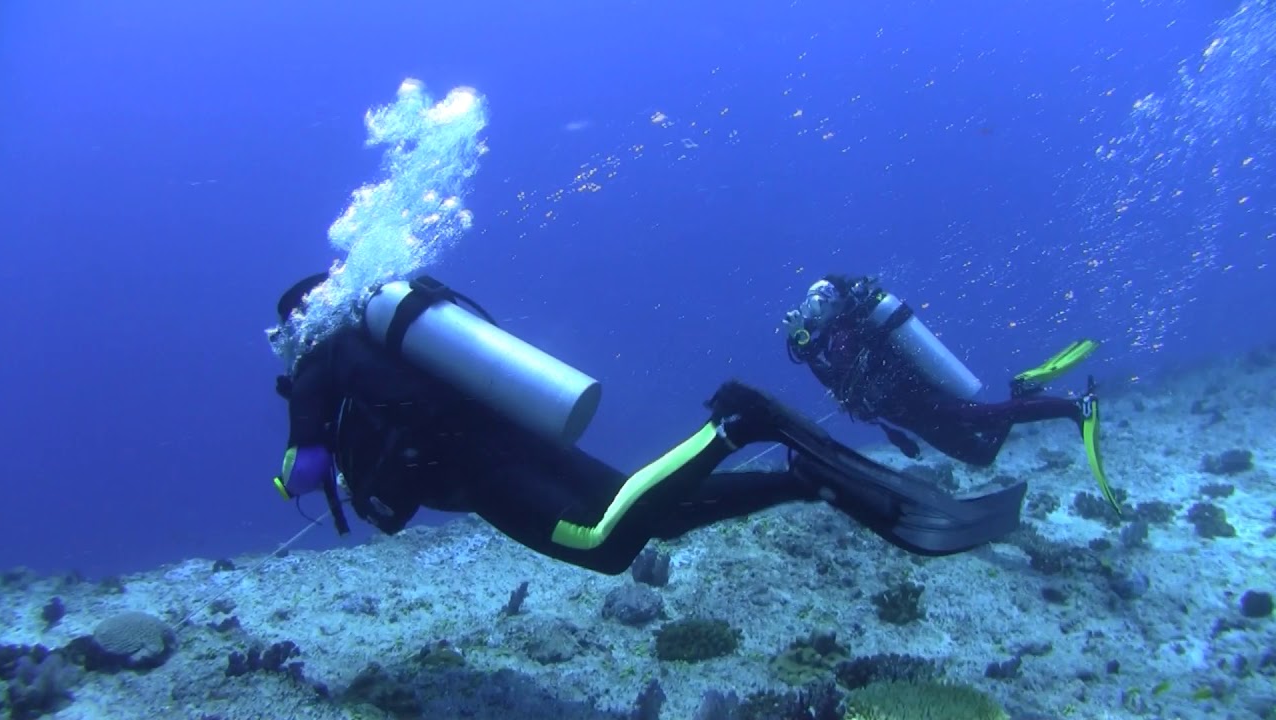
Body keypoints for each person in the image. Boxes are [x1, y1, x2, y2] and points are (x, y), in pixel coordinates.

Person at [269, 272, 1029, 574]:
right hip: (507, 436)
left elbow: (304, 471)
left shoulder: (320, 361)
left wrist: (293, 468)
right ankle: (800, 481)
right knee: (655, 516)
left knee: (606, 546)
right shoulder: (382, 344)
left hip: (476, 467)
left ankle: (737, 428)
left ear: (304, 320)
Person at [782, 273, 1119, 513]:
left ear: (834, 303)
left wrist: (810, 351)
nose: (812, 313)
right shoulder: (839, 335)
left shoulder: (844, 333)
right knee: (980, 455)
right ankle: (1021, 394)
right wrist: (810, 351)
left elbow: (842, 379)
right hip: (907, 414)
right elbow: (841, 383)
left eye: (815, 305)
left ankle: (1077, 408)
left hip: (915, 399)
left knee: (985, 418)